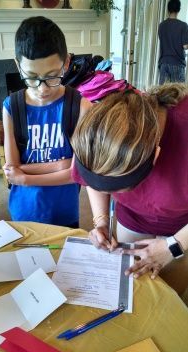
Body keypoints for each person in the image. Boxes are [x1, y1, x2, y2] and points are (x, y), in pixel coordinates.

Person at [71, 83, 188, 294]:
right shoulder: (103, 123)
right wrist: (101, 221)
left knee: (169, 295)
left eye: (118, 189)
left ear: (156, 157)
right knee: (130, 291)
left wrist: (174, 245)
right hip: (132, 219)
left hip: (181, 228)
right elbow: (94, 181)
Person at [2, 16, 91, 227]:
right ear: (18, 65)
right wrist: (61, 165)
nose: (42, 88)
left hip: (65, 212)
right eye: (31, 77)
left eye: (52, 76)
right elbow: (11, 167)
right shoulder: (11, 107)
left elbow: (77, 173)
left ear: (66, 63)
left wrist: (25, 177)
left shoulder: (80, 106)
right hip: (23, 211)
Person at [158, 0, 188, 84]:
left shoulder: (162, 25)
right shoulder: (183, 25)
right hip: (177, 63)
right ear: (179, 9)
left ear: (168, 9)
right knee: (178, 94)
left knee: (163, 93)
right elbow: (185, 46)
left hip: (163, 63)